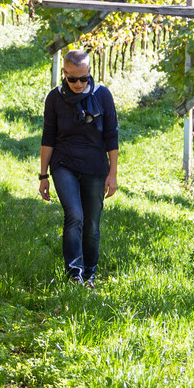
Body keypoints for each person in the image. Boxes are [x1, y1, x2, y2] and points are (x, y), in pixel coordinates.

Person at [39, 49, 120, 283]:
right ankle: (75, 273)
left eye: (83, 78)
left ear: (90, 73)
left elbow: (112, 136)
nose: (78, 83)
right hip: (64, 163)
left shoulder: (102, 95)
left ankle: (90, 272)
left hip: (95, 166)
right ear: (64, 74)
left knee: (92, 223)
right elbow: (48, 137)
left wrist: (112, 173)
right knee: (74, 215)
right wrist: (43, 175)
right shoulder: (54, 98)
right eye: (72, 78)